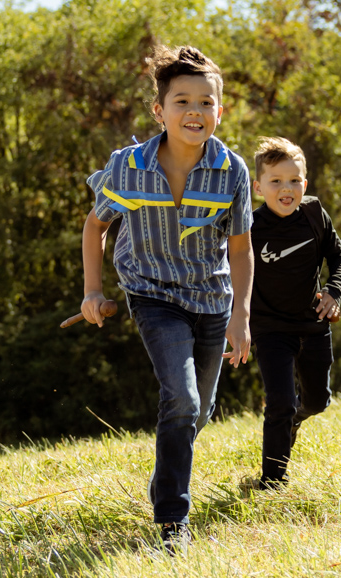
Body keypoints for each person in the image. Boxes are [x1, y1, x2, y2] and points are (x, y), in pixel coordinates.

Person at [78, 45, 253, 550]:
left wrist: (241, 314)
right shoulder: (127, 167)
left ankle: (164, 480)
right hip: (153, 294)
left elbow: (240, 250)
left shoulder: (232, 171)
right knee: (181, 397)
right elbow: (97, 227)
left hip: (213, 298)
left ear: (220, 111)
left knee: (199, 411)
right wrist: (93, 290)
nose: (193, 112)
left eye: (205, 102)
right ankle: (173, 520)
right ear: (160, 111)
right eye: (181, 101)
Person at [247, 138, 341, 488]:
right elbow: (229, 274)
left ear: (304, 184)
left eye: (294, 180)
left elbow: (340, 258)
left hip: (313, 324)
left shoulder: (313, 213)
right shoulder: (248, 227)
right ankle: (272, 482)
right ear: (258, 186)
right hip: (270, 328)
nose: (286, 188)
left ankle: (295, 421)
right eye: (275, 181)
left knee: (318, 401)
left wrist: (333, 292)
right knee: (279, 402)